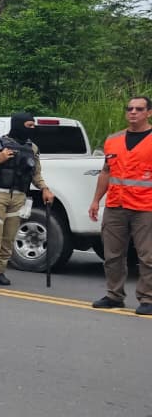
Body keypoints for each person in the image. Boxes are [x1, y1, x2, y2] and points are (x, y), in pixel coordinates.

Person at [0, 111, 54, 287]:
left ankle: (0, 271)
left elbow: (36, 173)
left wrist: (45, 188)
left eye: (33, 126)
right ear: (18, 125)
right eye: (29, 126)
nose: (32, 129)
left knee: (9, 237)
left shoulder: (33, 149)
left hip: (19, 197)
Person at [88, 96, 152, 314]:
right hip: (116, 204)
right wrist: (96, 200)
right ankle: (114, 295)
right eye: (130, 108)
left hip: (146, 207)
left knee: (147, 256)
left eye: (139, 109)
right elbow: (106, 172)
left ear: (148, 113)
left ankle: (148, 299)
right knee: (112, 254)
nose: (133, 112)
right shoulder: (113, 140)